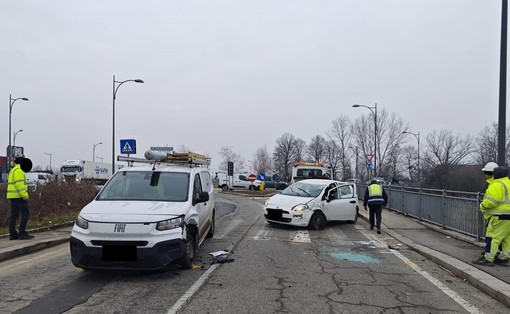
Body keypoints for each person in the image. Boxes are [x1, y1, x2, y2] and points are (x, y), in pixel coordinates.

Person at [473, 166, 510, 266]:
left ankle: (489, 259)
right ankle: (503, 258)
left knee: (493, 238)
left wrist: (482, 205)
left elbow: (491, 202)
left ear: (496, 175)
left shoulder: (496, 185)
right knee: (506, 239)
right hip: (508, 217)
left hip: (499, 216)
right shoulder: (508, 183)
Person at [6, 157, 34, 240]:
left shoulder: (13, 170)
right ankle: (22, 233)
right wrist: (24, 195)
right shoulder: (19, 171)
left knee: (14, 215)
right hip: (19, 196)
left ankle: (13, 234)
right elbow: (20, 185)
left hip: (12, 196)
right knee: (25, 213)